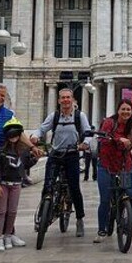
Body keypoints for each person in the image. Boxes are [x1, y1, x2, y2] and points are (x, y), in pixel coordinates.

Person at [30, 88, 92, 237]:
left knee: (74, 188)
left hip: (72, 154)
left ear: (72, 100)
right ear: (59, 100)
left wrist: (85, 143)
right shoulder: (54, 116)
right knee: (48, 185)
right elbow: (42, 129)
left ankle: (79, 219)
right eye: (62, 98)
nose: (65, 100)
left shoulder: (79, 116)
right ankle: (42, 216)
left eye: (68, 97)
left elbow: (88, 132)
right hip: (56, 154)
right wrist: (35, 136)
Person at [94, 99, 132, 243]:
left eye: (128, 109)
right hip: (107, 165)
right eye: (123, 109)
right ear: (118, 110)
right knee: (105, 199)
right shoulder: (110, 122)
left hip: (125, 165)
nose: (126, 112)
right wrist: (119, 139)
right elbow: (103, 136)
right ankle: (102, 229)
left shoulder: (131, 124)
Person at [0, 118, 42, 251]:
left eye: (16, 134)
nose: (13, 137)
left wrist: (36, 159)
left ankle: (8, 235)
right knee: (2, 211)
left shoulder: (23, 151)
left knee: (12, 211)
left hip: (16, 184)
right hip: (3, 183)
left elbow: (25, 165)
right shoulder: (0, 151)